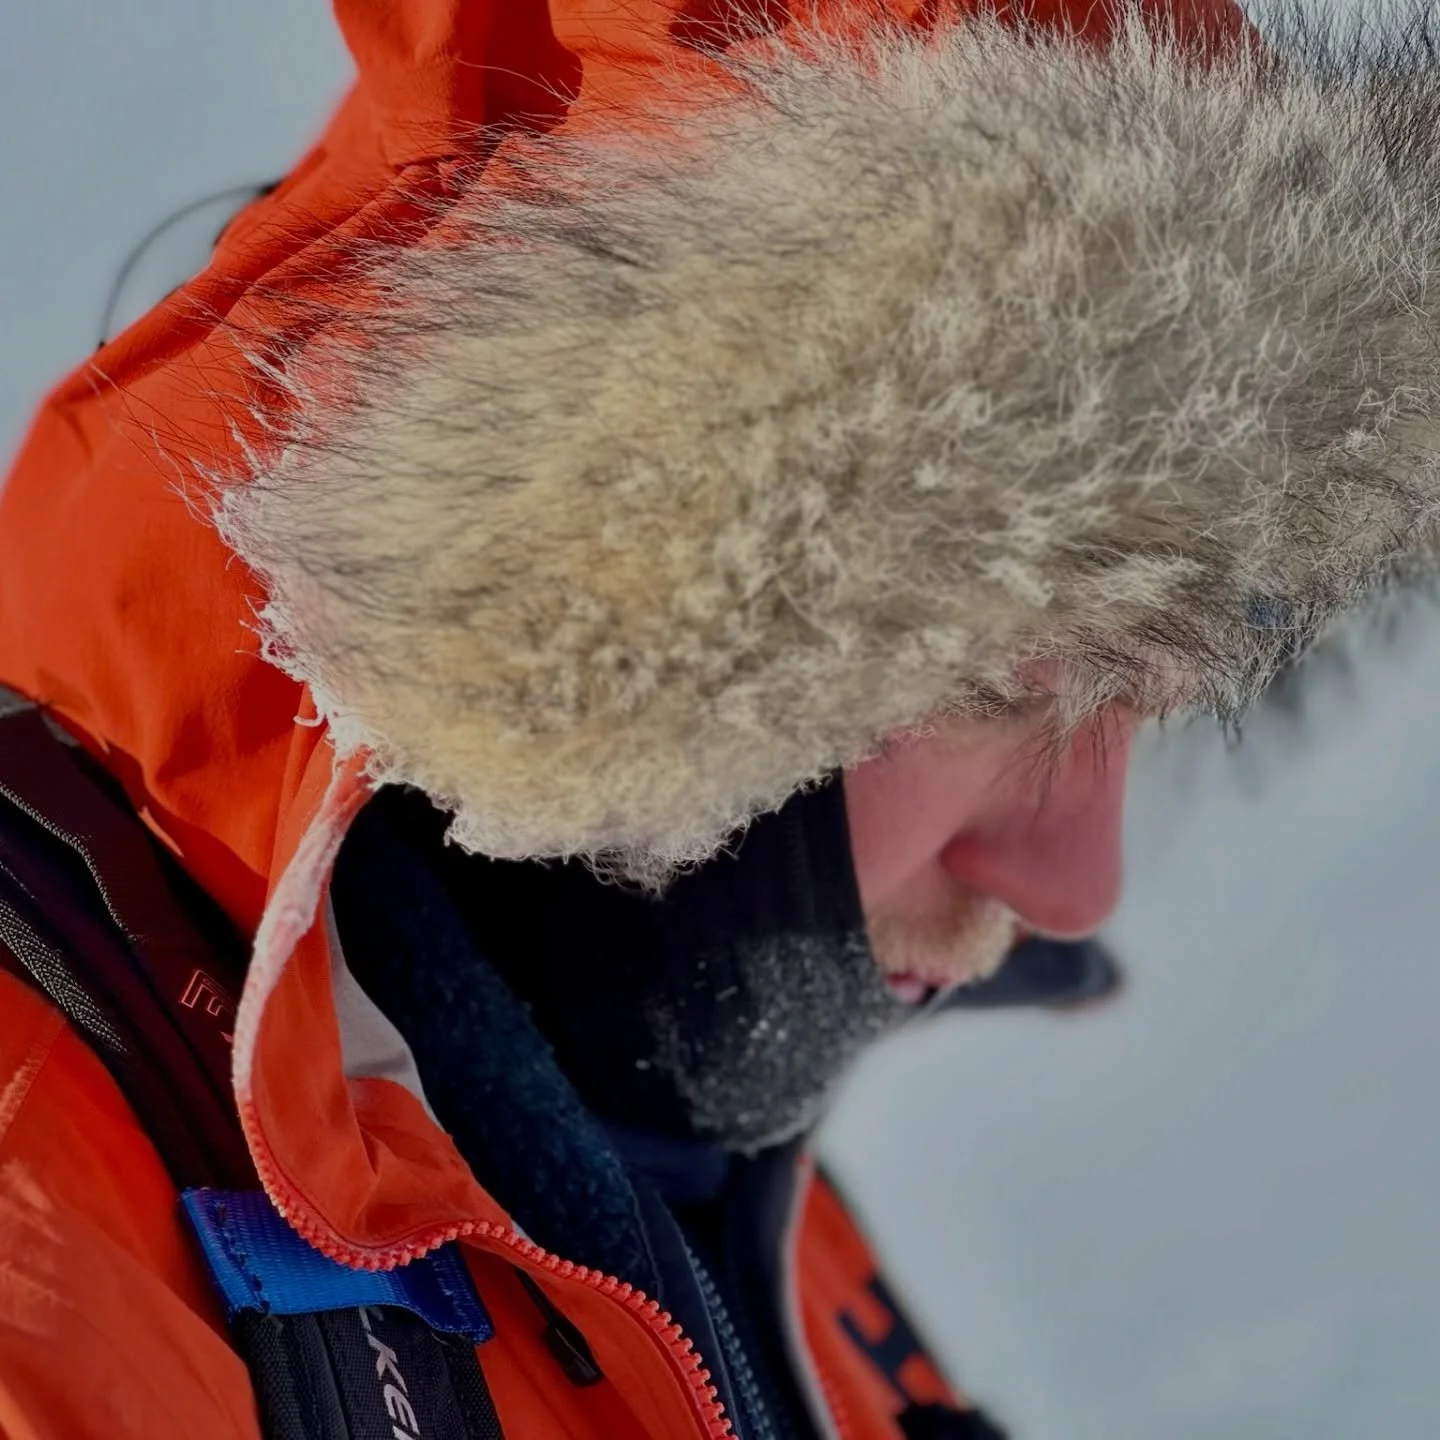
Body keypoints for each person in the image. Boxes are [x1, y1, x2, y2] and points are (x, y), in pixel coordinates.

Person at [2, 0, 1439, 1436]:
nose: (1077, 886)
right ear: (606, 582)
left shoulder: (699, 1163)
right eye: (1006, 686)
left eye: (1154, 703)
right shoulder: (42, 1213)